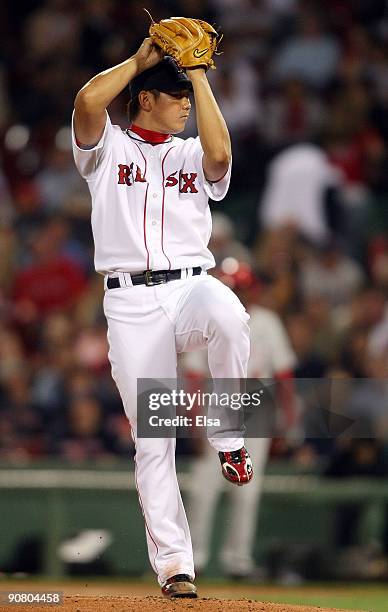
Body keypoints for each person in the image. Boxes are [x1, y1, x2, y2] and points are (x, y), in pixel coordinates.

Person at [72, 38, 253, 598]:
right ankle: (177, 566)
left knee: (229, 314)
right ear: (146, 98)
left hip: (190, 286)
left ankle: (228, 435)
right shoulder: (106, 150)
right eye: (176, 97)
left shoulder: (189, 152)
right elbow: (86, 103)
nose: (186, 107)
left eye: (189, 98)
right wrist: (139, 63)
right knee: (154, 438)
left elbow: (221, 156)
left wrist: (198, 76)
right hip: (130, 303)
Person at [184, 264, 296, 578]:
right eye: (232, 287)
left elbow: (284, 372)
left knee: (247, 488)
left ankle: (239, 561)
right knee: (203, 488)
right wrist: (194, 418)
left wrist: (286, 419)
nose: (238, 292)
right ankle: (194, 559)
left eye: (242, 287)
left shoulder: (267, 321)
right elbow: (194, 373)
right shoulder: (206, 319)